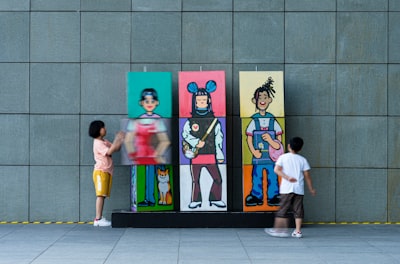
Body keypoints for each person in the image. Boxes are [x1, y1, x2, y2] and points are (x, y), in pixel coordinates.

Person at [265, 136, 316, 238]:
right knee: (298, 210)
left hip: (286, 188)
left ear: (289, 146)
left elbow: (276, 170)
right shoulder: (303, 160)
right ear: (300, 148)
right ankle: (297, 231)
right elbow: (307, 176)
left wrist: (287, 177)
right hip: (298, 188)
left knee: (283, 208)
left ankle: (279, 230)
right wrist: (311, 189)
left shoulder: (283, 157)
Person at [245, 77, 284, 207]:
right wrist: (254, 151)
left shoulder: (273, 119)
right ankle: (256, 195)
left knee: (272, 176)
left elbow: (279, 138)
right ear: (254, 101)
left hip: (272, 157)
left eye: (264, 97)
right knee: (257, 176)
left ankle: (273, 196)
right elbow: (249, 138)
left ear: (269, 100)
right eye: (259, 98)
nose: (262, 100)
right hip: (259, 155)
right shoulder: (253, 120)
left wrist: (273, 144)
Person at [89, 120, 125, 227]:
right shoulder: (97, 143)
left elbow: (116, 148)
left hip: (106, 172)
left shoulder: (104, 141)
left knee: (103, 195)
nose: (105, 129)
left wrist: (120, 140)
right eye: (103, 127)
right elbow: (109, 152)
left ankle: (99, 218)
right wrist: (117, 139)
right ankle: (98, 219)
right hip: (101, 172)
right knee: (100, 195)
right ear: (98, 130)